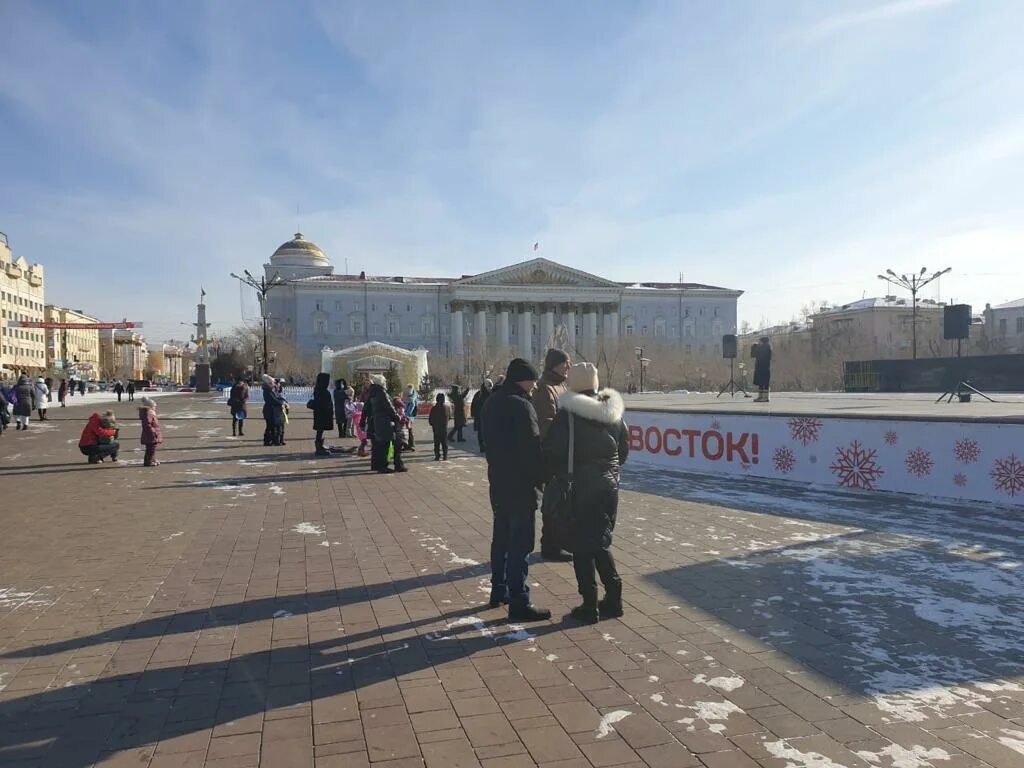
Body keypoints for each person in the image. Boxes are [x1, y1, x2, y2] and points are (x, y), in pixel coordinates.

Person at [544, 363, 629, 624]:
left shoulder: (567, 415)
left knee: (582, 545)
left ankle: (589, 604)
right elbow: (623, 450)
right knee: (601, 541)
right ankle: (614, 598)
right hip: (609, 486)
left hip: (579, 487)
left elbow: (553, 452)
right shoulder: (612, 412)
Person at [481, 358, 550, 622]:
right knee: (520, 546)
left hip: (498, 482)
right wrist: (542, 478)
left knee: (501, 540)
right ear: (523, 379)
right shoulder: (521, 405)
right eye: (532, 380)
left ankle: (498, 590)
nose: (534, 385)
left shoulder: (492, 402)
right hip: (521, 486)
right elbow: (531, 450)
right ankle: (519, 602)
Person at [533, 348, 573, 562]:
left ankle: (558, 542)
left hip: (563, 453)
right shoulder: (545, 389)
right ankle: (550, 546)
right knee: (554, 502)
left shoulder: (562, 385)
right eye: (565, 363)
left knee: (562, 501)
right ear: (554, 365)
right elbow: (545, 425)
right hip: (552, 454)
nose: (569, 366)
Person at [360, 374, 401, 473]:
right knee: (385, 443)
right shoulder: (381, 392)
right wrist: (397, 416)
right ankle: (383, 466)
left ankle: (376, 465)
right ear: (381, 382)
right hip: (384, 421)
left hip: (375, 420)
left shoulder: (372, 392)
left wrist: (362, 420)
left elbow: (366, 407)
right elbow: (389, 406)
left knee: (377, 445)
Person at [308, 372, 334, 457]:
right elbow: (323, 404)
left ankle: (320, 446)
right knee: (320, 430)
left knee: (320, 430)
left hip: (321, 415)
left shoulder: (319, 390)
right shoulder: (322, 391)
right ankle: (319, 448)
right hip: (322, 415)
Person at [261, 374, 287, 446]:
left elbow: (279, 395)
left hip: (273, 410)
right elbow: (272, 400)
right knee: (270, 426)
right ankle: (267, 441)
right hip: (269, 411)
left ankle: (274, 440)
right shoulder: (267, 391)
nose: (273, 384)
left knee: (273, 426)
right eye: (271, 383)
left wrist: (282, 402)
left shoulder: (272, 390)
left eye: (272, 383)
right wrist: (280, 403)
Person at [138, 396, 163, 466]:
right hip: (150, 434)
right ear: (150, 407)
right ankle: (148, 461)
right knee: (150, 449)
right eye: (154, 406)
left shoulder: (151, 413)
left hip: (152, 433)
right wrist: (153, 432)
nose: (155, 408)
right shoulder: (149, 413)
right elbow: (147, 425)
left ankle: (153, 460)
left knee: (153, 448)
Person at [471, 379, 493, 453]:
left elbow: (473, 405)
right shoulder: (489, 394)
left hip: (480, 416)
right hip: (486, 416)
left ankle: (482, 446)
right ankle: (484, 446)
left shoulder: (479, 394)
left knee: (481, 432)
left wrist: (473, 414)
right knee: (486, 432)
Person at [429, 393, 450, 460]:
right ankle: (445, 455)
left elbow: (431, 419)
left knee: (437, 443)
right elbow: (449, 417)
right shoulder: (447, 408)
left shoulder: (434, 408)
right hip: (444, 428)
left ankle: (437, 455)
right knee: (444, 442)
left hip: (436, 428)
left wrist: (432, 424)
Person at [752, 336, 773, 403]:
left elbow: (755, 353)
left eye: (760, 341)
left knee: (764, 383)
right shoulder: (767, 347)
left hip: (763, 367)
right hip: (763, 367)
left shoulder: (766, 347)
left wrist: (754, 346)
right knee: (762, 383)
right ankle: (761, 397)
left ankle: (765, 397)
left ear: (762, 341)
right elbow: (754, 354)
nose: (759, 342)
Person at [402, 384, 418, 450]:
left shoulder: (411, 400)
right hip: (407, 417)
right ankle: (408, 445)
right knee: (407, 431)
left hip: (409, 417)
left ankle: (410, 445)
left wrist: (405, 415)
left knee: (408, 431)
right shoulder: (408, 397)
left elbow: (409, 411)